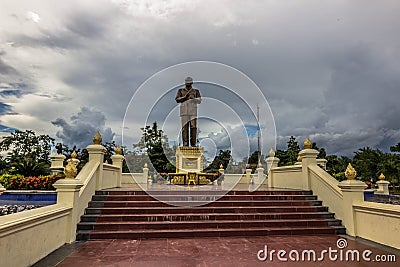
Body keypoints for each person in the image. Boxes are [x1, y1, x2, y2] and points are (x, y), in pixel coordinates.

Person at [175, 77, 201, 146]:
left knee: (193, 127)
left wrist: (193, 99)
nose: (188, 84)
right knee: (184, 128)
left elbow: (199, 100)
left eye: (189, 83)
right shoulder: (181, 91)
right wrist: (184, 97)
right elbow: (177, 99)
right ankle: (185, 144)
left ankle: (193, 144)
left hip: (193, 111)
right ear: (185, 83)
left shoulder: (196, 91)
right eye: (187, 83)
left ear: (191, 83)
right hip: (184, 111)